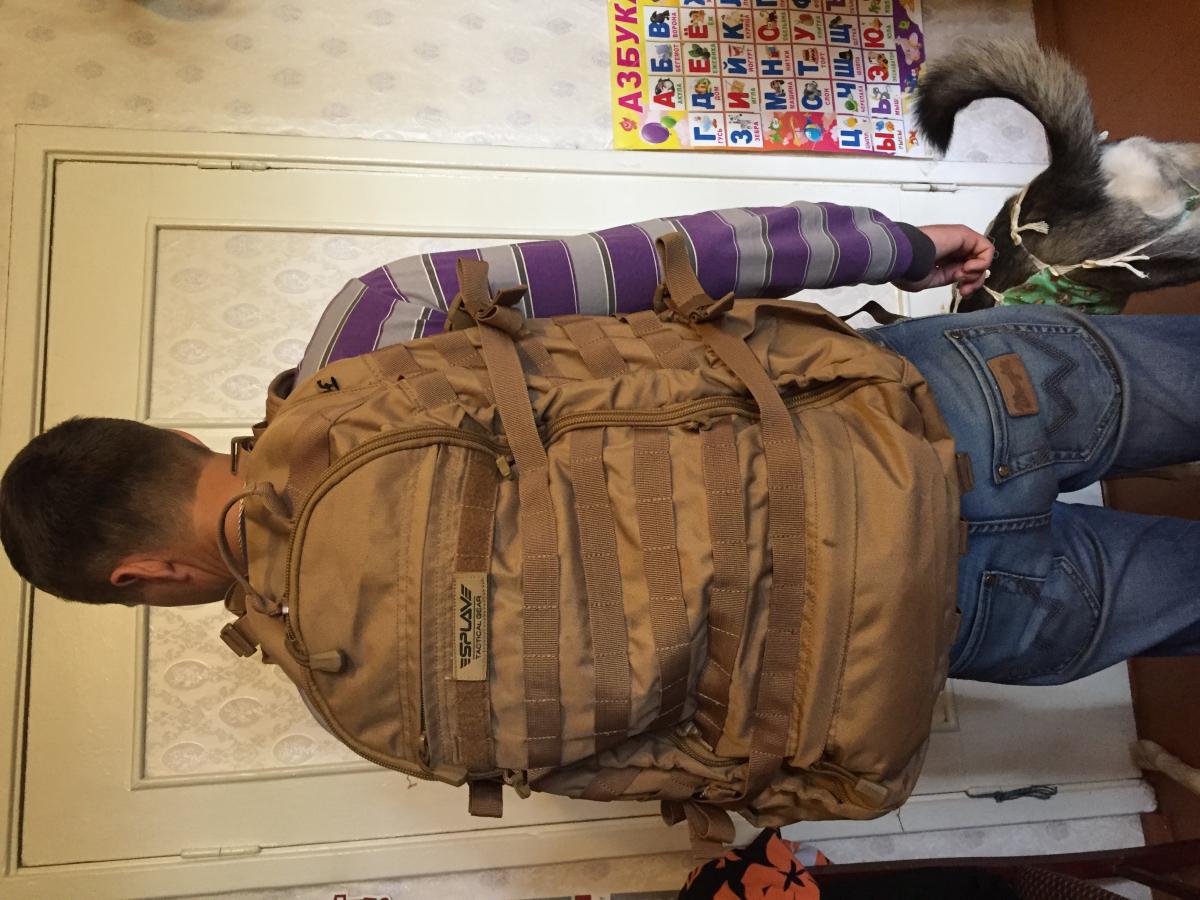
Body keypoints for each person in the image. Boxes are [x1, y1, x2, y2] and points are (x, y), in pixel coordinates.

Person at [2, 199, 1199, 688]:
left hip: (916, 606)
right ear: (175, 437)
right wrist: (898, 247)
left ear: (143, 577)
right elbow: (687, 256)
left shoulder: (345, 671)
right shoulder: (374, 327)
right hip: (918, 402)